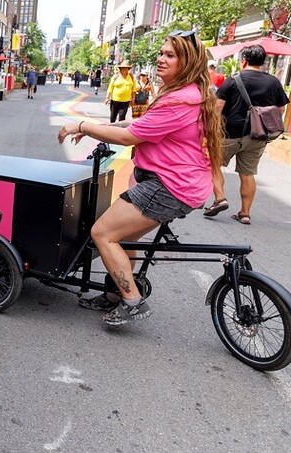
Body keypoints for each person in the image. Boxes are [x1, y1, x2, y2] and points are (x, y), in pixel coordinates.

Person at [57, 31, 223, 326]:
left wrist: (80, 124)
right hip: (179, 184)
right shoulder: (189, 94)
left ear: (188, 62)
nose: (161, 59)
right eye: (161, 53)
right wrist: (95, 127)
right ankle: (115, 294)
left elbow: (129, 136)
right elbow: (143, 125)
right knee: (126, 236)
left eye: (170, 55)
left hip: (168, 187)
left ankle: (132, 301)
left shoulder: (179, 101)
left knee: (103, 234)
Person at [202, 45, 289, 225]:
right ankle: (245, 213)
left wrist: (209, 130)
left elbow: (217, 108)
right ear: (262, 62)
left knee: (214, 165)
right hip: (257, 136)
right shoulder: (273, 82)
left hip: (228, 134)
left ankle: (220, 198)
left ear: (243, 61)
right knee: (247, 173)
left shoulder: (233, 80)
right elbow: (280, 108)